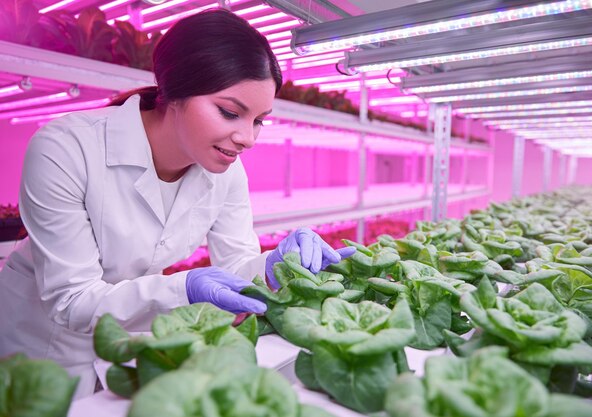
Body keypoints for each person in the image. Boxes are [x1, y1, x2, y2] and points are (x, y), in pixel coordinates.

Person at [0, 9, 355, 398]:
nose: (248, 139)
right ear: (176, 93)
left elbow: (235, 264)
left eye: (259, 121)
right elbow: (72, 301)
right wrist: (183, 288)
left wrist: (273, 267)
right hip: (44, 346)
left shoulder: (226, 172)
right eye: (231, 112)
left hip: (130, 342)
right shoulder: (66, 149)